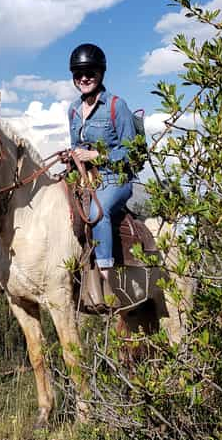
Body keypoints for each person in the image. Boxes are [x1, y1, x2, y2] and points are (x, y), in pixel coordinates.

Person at [67, 43, 135, 284]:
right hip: (85, 178)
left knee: (97, 213)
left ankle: (107, 276)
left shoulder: (117, 106)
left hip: (116, 178)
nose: (84, 78)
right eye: (78, 74)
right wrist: (73, 156)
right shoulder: (73, 110)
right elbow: (77, 145)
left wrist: (97, 157)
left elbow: (132, 152)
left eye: (90, 73)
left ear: (101, 73)